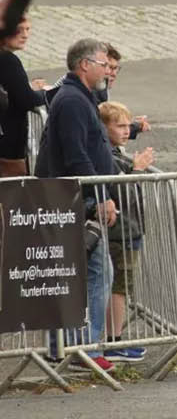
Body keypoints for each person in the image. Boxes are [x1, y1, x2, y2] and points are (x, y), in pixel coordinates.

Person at [35, 39, 118, 372]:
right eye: (103, 65)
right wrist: (101, 194)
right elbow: (76, 155)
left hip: (76, 198)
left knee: (81, 273)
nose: (107, 71)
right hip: (75, 199)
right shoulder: (71, 100)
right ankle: (83, 348)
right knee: (95, 272)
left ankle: (70, 346)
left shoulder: (81, 96)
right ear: (84, 65)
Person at [97, 101, 154, 364]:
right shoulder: (108, 156)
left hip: (126, 230)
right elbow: (121, 192)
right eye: (119, 126)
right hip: (121, 232)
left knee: (118, 286)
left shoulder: (111, 151)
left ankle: (112, 339)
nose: (126, 131)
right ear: (104, 128)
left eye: (127, 126)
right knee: (119, 286)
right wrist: (138, 169)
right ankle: (114, 341)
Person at [0, 0, 46, 177]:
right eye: (20, 30)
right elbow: (26, 99)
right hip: (7, 151)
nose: (25, 35)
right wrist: (44, 92)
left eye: (28, 30)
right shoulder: (7, 60)